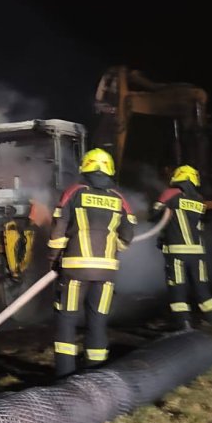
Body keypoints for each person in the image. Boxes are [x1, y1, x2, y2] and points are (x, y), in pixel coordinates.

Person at [46, 148, 137, 377]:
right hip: (107, 272)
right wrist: (116, 246)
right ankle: (97, 376)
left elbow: (58, 230)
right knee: (98, 321)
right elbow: (128, 231)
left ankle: (65, 376)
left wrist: (54, 261)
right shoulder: (119, 198)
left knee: (67, 320)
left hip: (75, 269)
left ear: (85, 167)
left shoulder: (74, 192)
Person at [150, 165, 212, 330]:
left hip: (177, 253)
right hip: (197, 254)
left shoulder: (171, 193)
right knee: (202, 290)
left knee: (178, 291)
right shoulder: (199, 200)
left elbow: (155, 214)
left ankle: (184, 326)